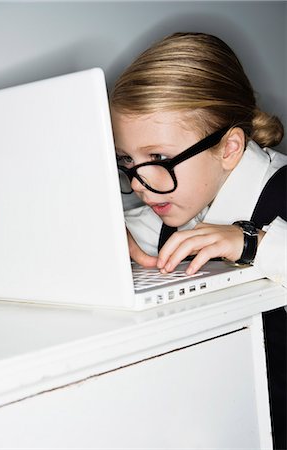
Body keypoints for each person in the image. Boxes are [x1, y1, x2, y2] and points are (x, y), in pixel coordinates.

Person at [110, 33, 286, 449]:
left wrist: (253, 243)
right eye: (127, 162)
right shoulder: (180, 198)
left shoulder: (279, 191)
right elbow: (139, 225)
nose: (142, 184)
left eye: (158, 160)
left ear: (229, 148)